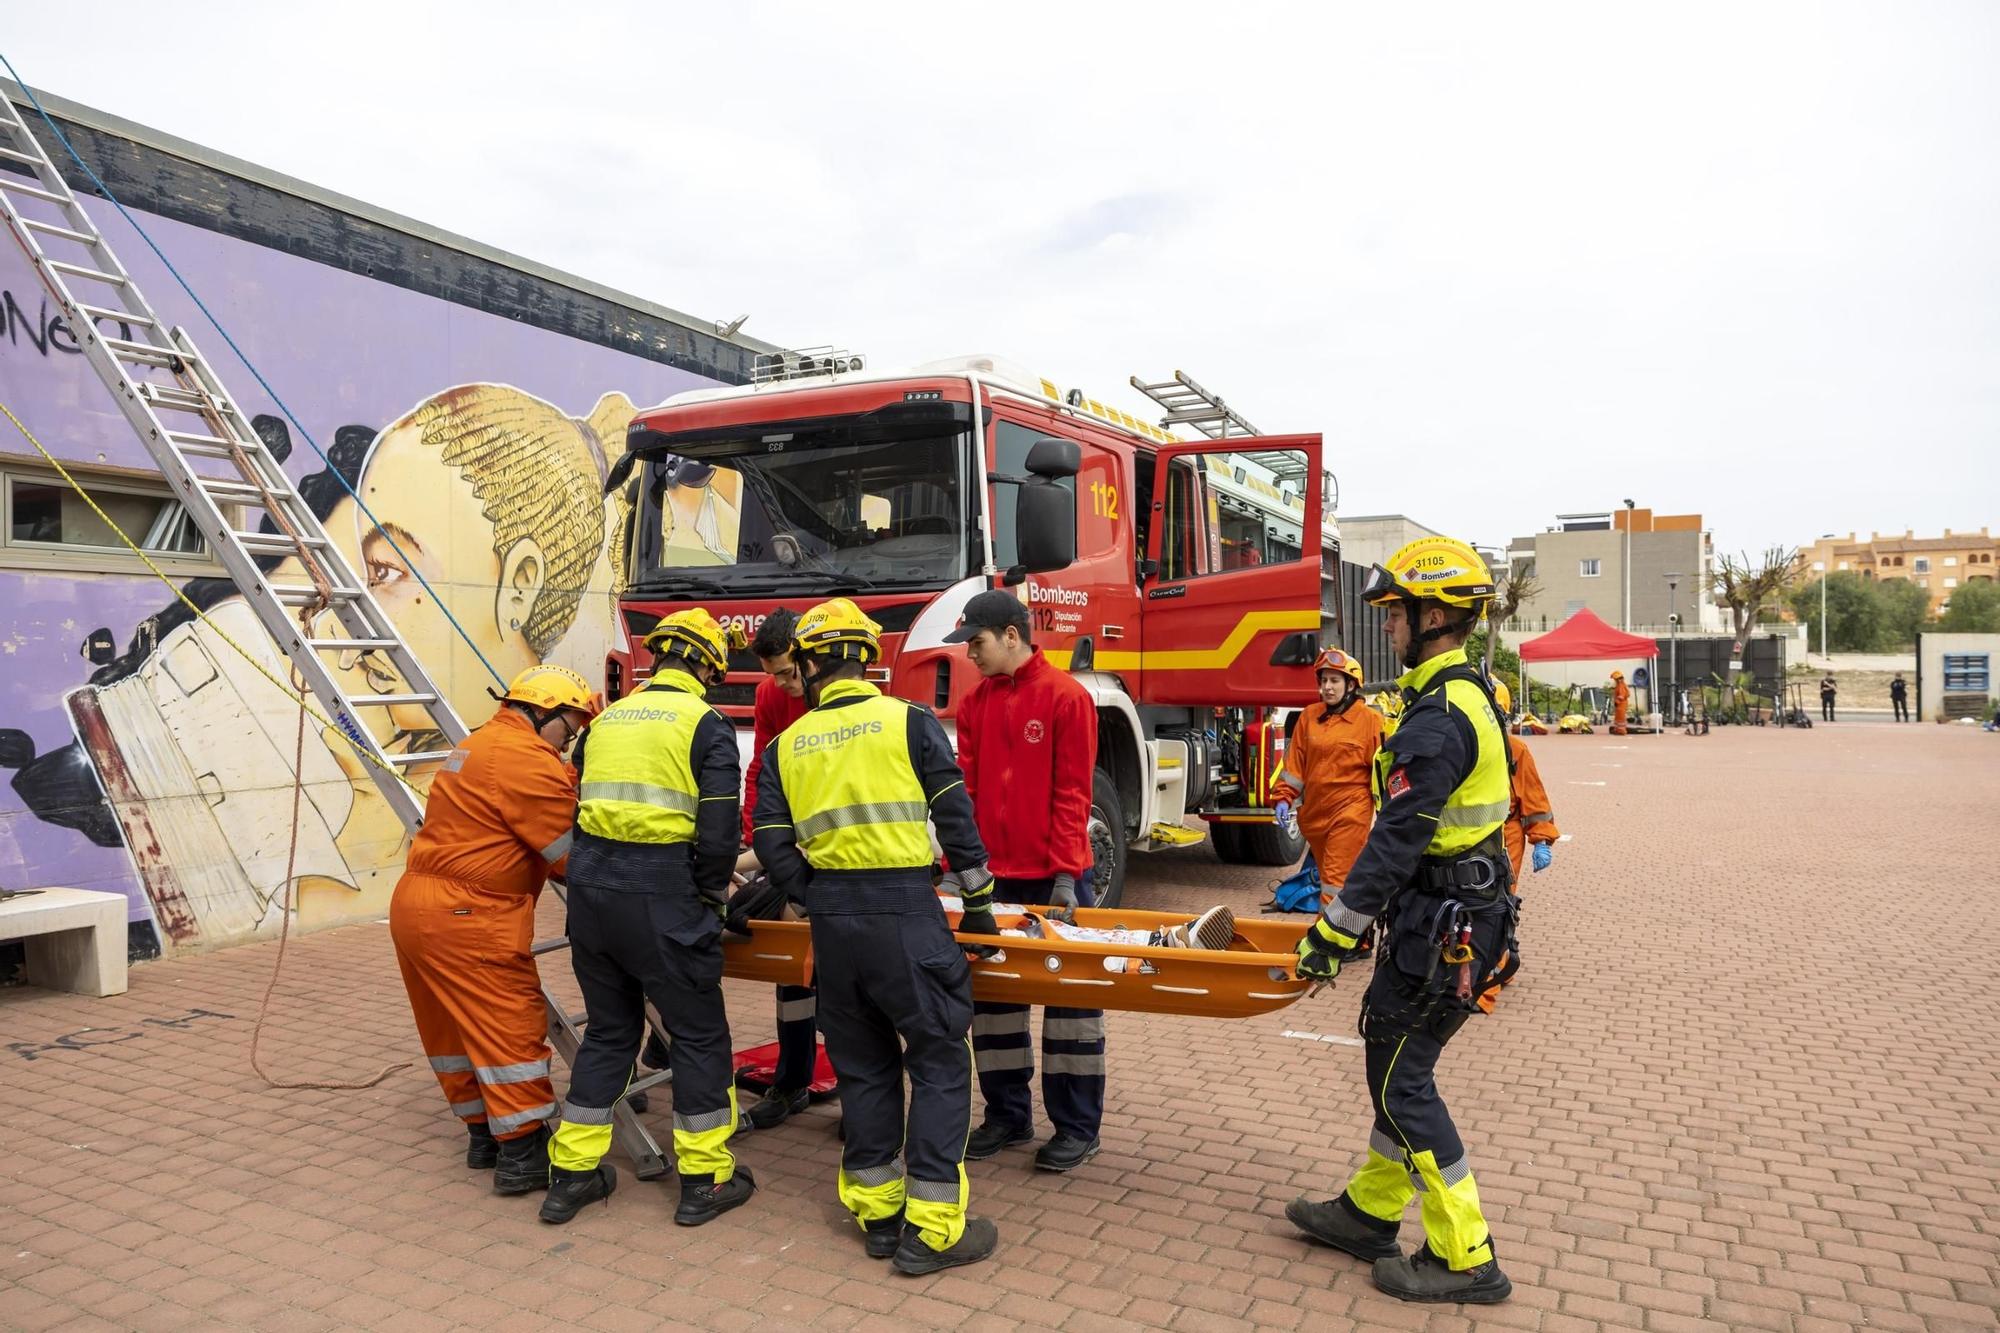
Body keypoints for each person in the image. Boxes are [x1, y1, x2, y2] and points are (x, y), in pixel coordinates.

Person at [1284, 537, 1518, 1305]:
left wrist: (1332, 934)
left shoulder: (1439, 715)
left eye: (1396, 613)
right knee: (1398, 1066)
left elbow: (1393, 839)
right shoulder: (1453, 695)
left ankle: (1465, 1253)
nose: (1386, 626)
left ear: (1436, 615)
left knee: (1400, 1078)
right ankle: (1372, 1211)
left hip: (1445, 920)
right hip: (1446, 913)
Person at [752, 598, 1002, 1274]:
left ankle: (880, 1215)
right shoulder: (910, 720)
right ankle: (934, 1229)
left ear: (807, 664)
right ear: (866, 658)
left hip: (834, 922)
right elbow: (956, 816)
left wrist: (813, 893)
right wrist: (979, 904)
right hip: (904, 911)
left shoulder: (784, 746)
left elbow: (770, 841)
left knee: (863, 1064)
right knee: (940, 1058)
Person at [542, 609, 753, 1228]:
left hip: (592, 895)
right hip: (663, 897)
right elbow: (717, 836)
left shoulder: (605, 722)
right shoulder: (705, 724)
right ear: (707, 666)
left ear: (659, 657)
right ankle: (705, 1181)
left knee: (610, 1034)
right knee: (696, 1036)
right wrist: (712, 898)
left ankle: (571, 1178)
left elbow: (585, 809)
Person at [389, 665, 598, 1195]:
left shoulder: (479, 743)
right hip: (470, 913)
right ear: (543, 713)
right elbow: (567, 856)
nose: (567, 743)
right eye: (568, 730)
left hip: (418, 905)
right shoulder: (526, 757)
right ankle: (524, 1154)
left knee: (452, 1032)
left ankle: (483, 1136)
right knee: (508, 1029)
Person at [946, 590, 1106, 1173]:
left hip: (1057, 878)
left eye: (977, 642)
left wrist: (1067, 873)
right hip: (995, 880)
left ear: (1013, 634)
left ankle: (1078, 1127)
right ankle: (1007, 1116)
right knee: (994, 1008)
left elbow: (1073, 794)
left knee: (1072, 1009)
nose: (970, 654)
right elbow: (965, 794)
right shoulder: (975, 704)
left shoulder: (1067, 698)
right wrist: (962, 869)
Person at [735, 608, 818, 1131]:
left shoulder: (834, 695)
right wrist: (751, 835)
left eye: (790, 673)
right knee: (792, 976)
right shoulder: (771, 696)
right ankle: (791, 1083)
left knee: (846, 987)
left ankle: (865, 1097)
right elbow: (762, 767)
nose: (784, 685)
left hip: (834, 854)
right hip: (789, 849)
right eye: (774, 675)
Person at [1271, 648, 1386, 901]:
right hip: (1313, 819)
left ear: (1351, 685)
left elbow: (1383, 771)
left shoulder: (1370, 722)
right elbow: (1294, 766)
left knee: (1335, 885)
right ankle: (1354, 936)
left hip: (1349, 814)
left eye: (1335, 680)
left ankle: (1326, 939)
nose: (1328, 687)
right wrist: (1283, 797)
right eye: (1324, 681)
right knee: (1331, 882)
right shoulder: (1309, 717)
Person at [1609, 669, 1631, 736]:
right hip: (1621, 704)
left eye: (1615, 679)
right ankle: (1618, 730)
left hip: (1621, 704)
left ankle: (1621, 731)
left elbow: (1621, 695)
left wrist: (1617, 702)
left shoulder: (1621, 685)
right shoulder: (1621, 685)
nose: (1615, 680)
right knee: (1618, 718)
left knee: (1620, 718)